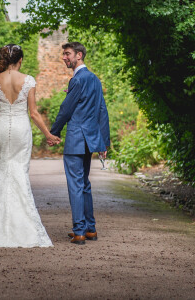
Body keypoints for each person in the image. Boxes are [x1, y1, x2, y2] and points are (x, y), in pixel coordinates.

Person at [0, 44, 56, 247]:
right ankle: (24, 228)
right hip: (21, 128)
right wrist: (48, 134)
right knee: (19, 172)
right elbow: (34, 113)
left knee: (2, 172)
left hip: (0, 127)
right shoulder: (28, 80)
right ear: (20, 61)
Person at [49, 42, 111, 245]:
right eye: (64, 54)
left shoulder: (77, 79)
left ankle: (79, 232)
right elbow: (102, 111)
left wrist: (53, 132)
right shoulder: (94, 79)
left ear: (79, 55)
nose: (64, 58)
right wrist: (104, 142)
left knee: (76, 184)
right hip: (91, 138)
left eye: (67, 54)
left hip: (76, 138)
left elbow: (66, 109)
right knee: (84, 184)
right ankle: (90, 229)